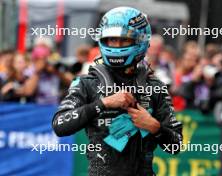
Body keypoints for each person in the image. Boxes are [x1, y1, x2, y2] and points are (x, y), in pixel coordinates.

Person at [52, 7, 182, 176]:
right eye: (112, 40)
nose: (117, 46)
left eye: (124, 40)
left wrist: (155, 127)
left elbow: (176, 145)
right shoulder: (86, 83)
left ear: (141, 41)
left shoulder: (155, 86)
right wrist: (103, 104)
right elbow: (59, 125)